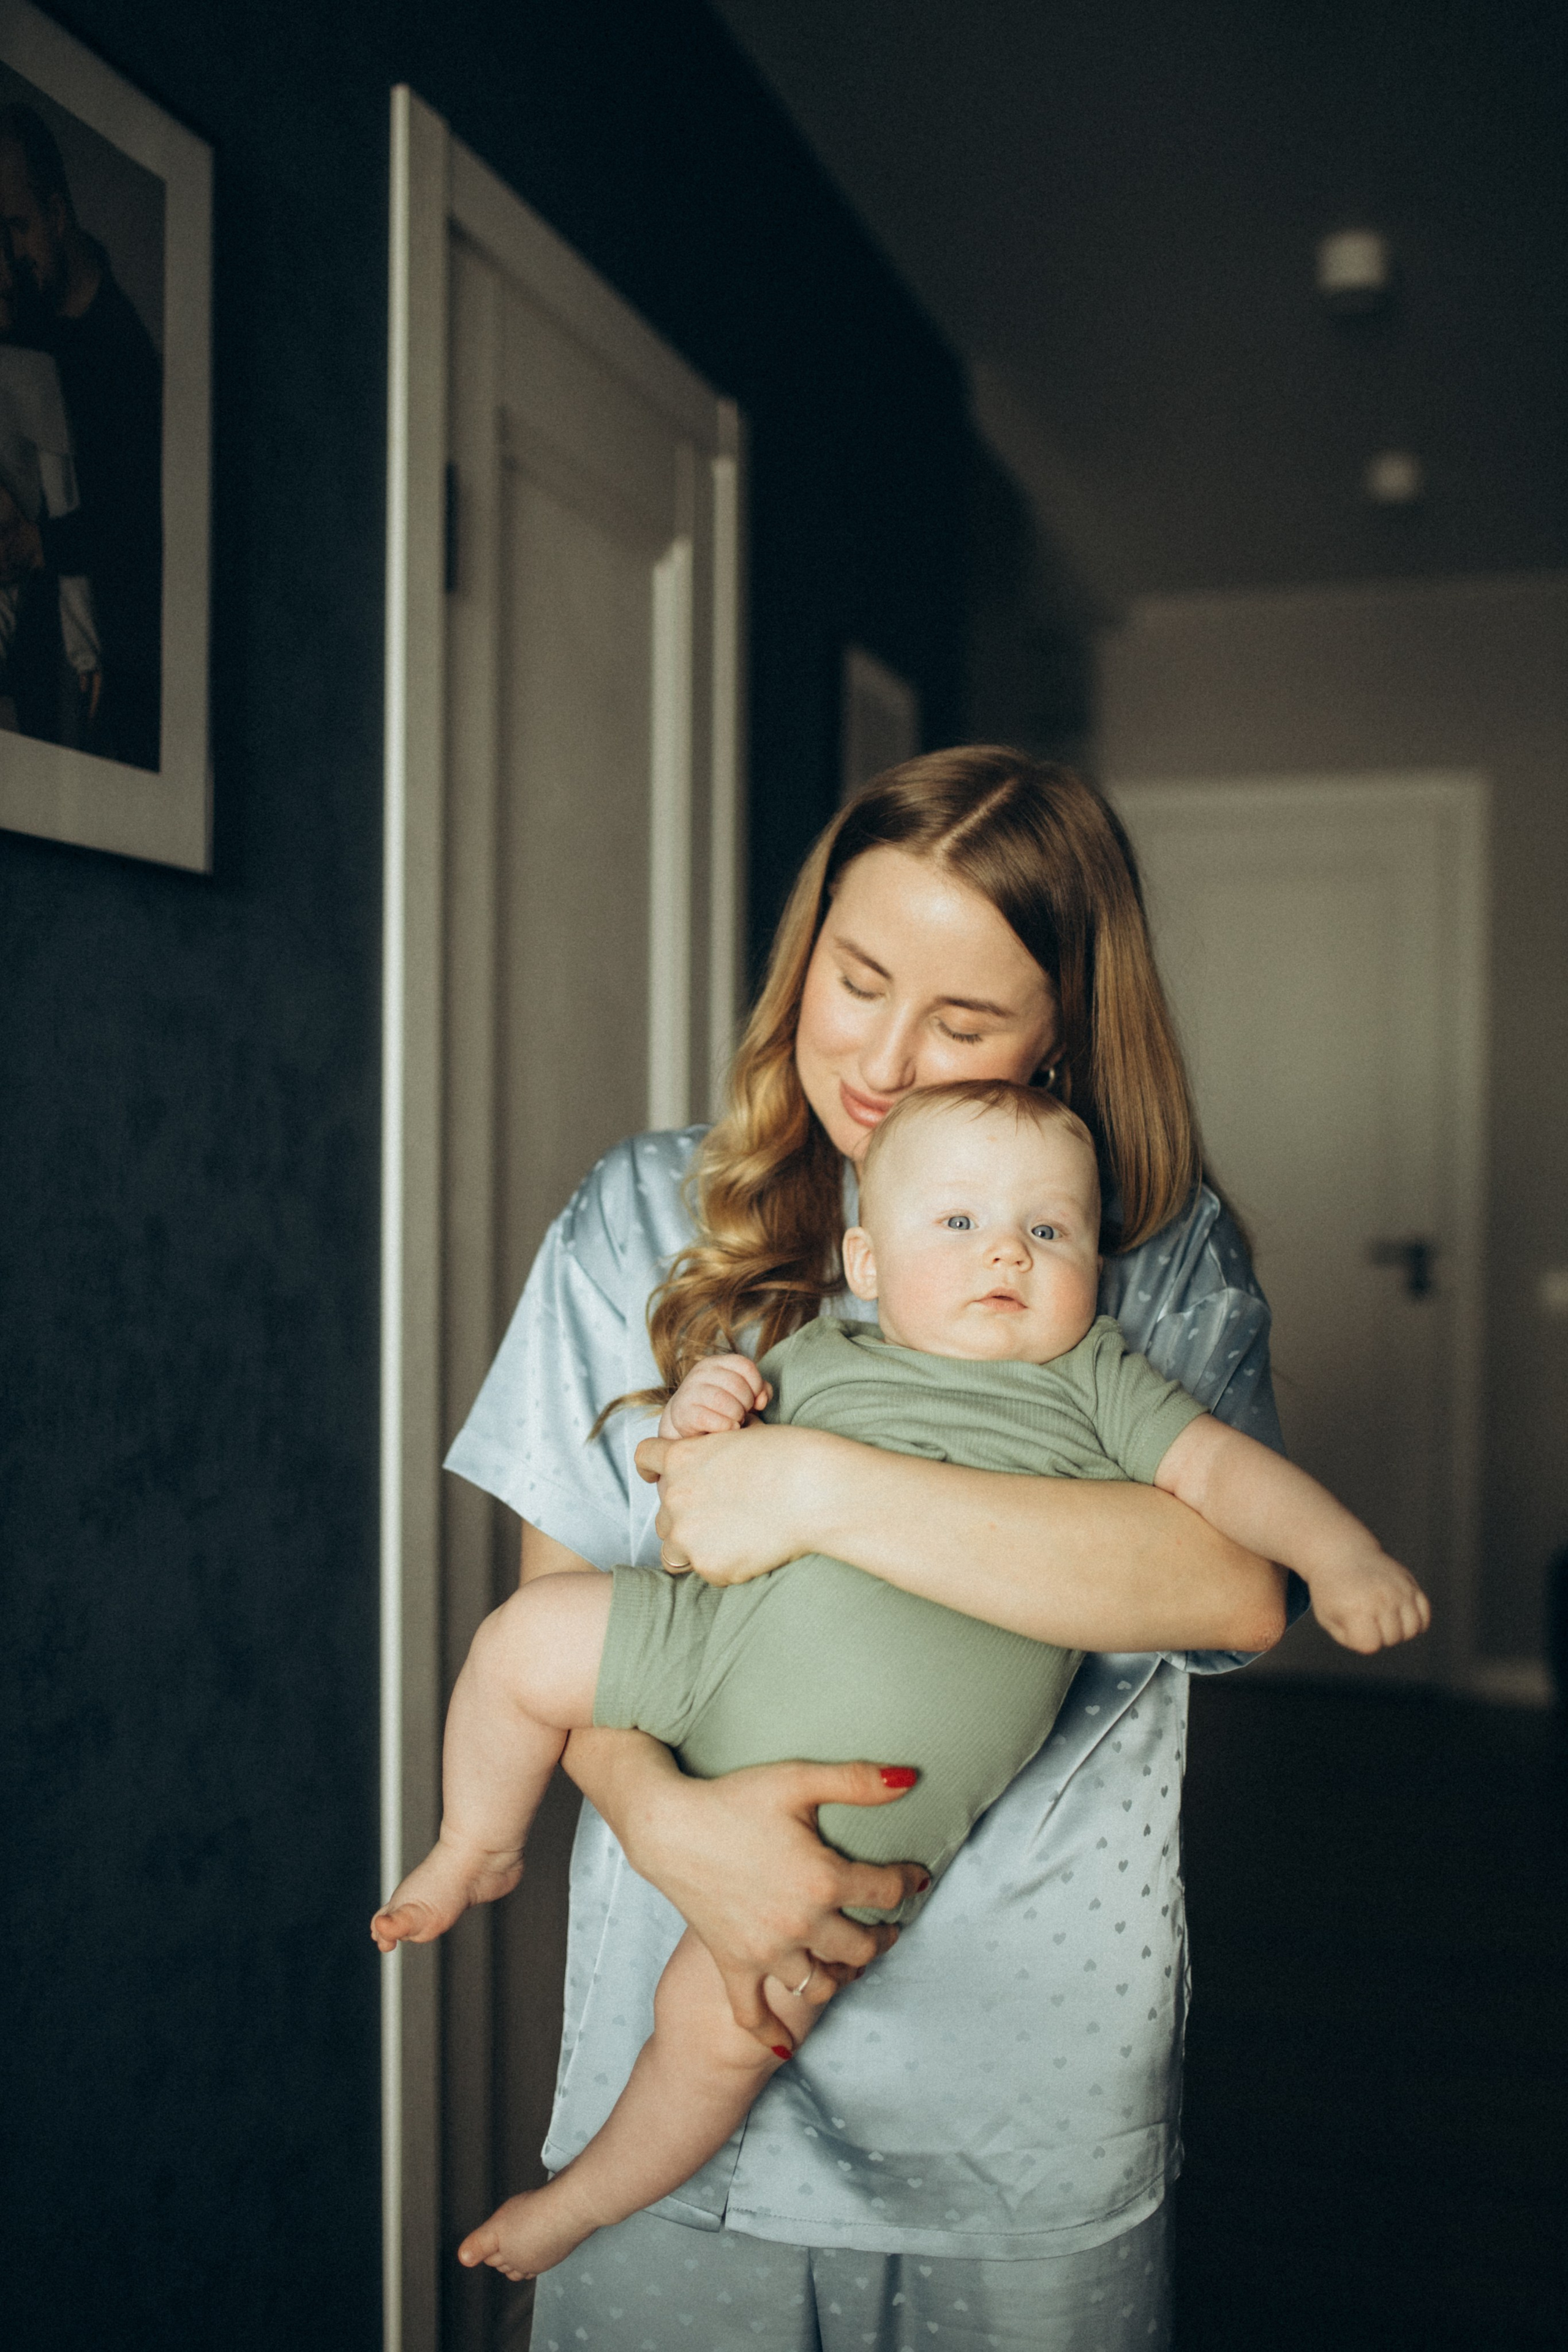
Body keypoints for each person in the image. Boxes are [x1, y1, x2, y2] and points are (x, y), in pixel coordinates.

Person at [441, 749, 1298, 2350]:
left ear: (1064, 1031)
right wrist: (669, 1819)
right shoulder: (645, 1212)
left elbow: (1235, 1593)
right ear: (806, 951)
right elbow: (562, 1616)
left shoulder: (1150, 1249)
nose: (888, 1061)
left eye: (967, 1026)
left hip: (1023, 2075)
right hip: (679, 2003)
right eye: (858, 981)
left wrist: (820, 1488)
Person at [376, 1080, 1428, 2285]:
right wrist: (708, 1412)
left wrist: (1336, 1554)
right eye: (958, 1224)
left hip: (874, 1794)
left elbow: (1231, 1483)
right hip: (709, 1651)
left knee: (720, 2029)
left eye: (1048, 1230)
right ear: (865, 1262)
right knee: (521, 1642)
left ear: (1094, 1262)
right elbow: (691, 1496)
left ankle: (582, 2199)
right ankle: (476, 1843)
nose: (1005, 1254)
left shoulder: (1090, 1380)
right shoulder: (819, 1351)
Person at [0, 104, 161, 769]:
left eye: (15, 229)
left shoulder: (122, 355)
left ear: (58, 217)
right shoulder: (25, 318)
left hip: (91, 684)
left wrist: (37, 545)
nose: (4, 263)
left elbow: (140, 527)